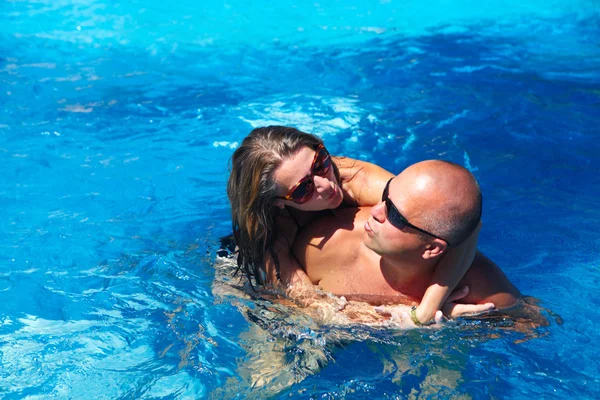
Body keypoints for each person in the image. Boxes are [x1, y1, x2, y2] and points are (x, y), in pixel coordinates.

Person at [227, 126, 491, 325]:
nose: (327, 184)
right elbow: (315, 308)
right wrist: (404, 320)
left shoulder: (353, 178)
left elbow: (459, 220)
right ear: (277, 203)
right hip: (235, 260)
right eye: (304, 189)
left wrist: (427, 308)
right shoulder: (271, 239)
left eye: (320, 163)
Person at [290, 160, 524, 321]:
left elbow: (531, 326)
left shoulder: (483, 292)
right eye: (384, 197)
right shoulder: (326, 244)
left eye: (394, 214)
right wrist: (415, 316)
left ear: (431, 248)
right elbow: (284, 311)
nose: (375, 211)